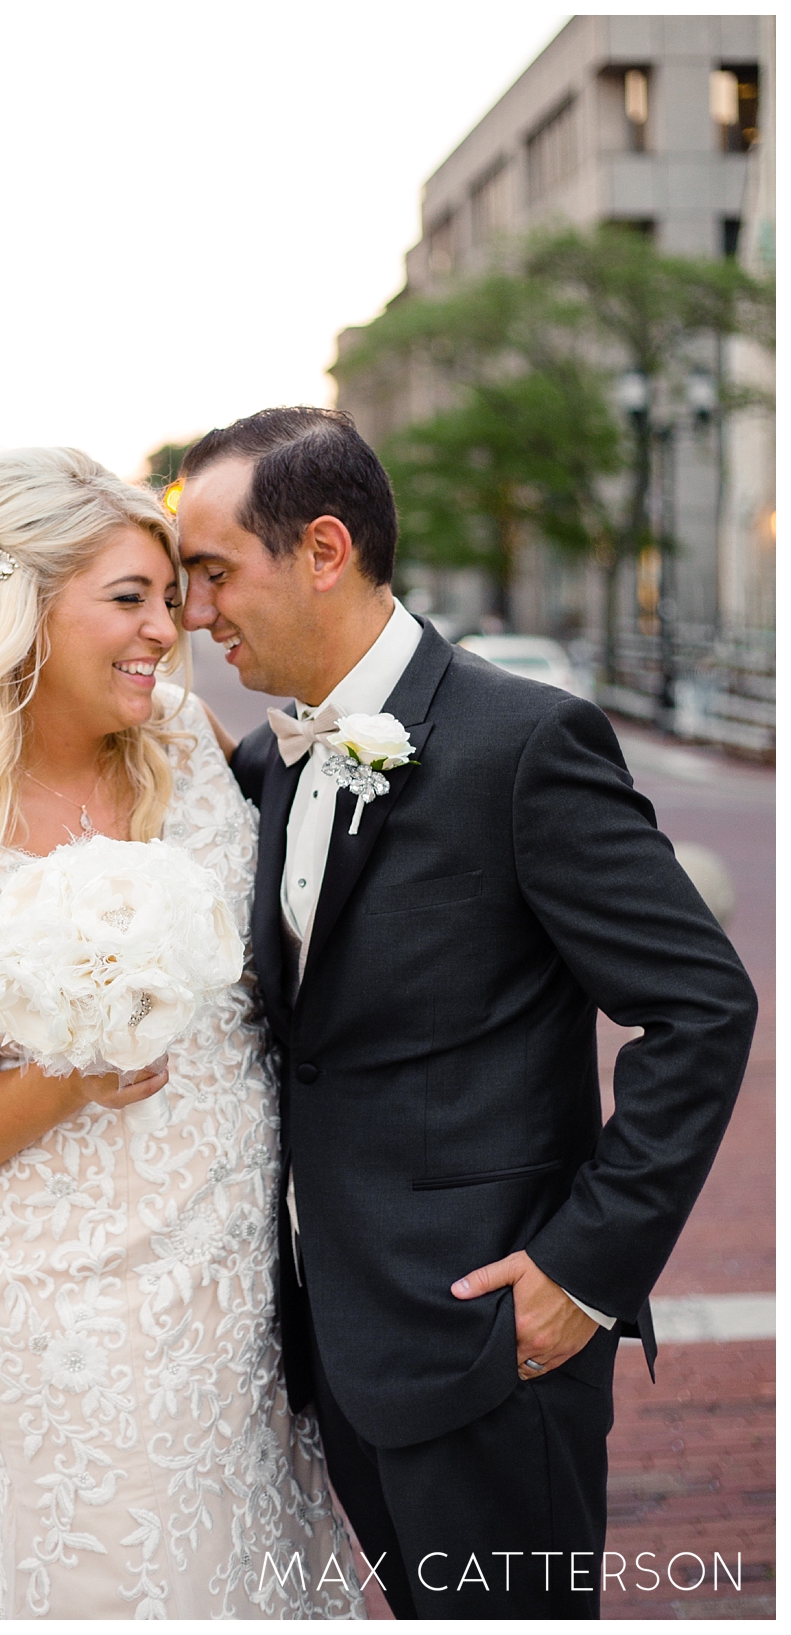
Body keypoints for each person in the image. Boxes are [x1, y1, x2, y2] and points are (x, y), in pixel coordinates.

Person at [177, 406, 756, 1618]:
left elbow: (700, 1006)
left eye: (214, 572)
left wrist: (581, 1272)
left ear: (323, 550)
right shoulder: (263, 766)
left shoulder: (525, 744)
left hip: (499, 1347)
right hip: (337, 1347)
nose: (196, 612)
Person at [0, 445, 361, 1618]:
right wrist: (73, 1077)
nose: (164, 631)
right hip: (74, 1304)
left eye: (169, 600)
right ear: (16, 611)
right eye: (127, 599)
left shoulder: (190, 747)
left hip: (250, 1278)